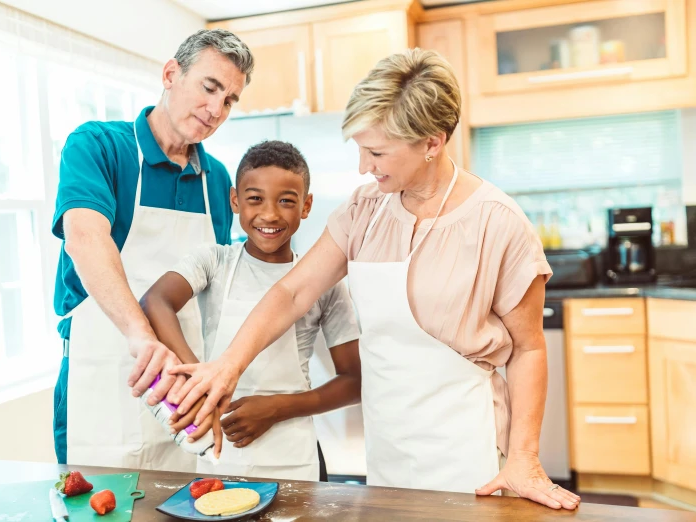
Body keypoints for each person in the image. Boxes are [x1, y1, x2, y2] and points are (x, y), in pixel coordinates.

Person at [166, 49, 582, 510]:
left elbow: (527, 348)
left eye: (378, 152)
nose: (364, 165)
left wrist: (524, 456)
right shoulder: (364, 210)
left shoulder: (498, 223)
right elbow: (291, 291)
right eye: (360, 148)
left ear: (431, 142)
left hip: (467, 445)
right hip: (386, 443)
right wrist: (228, 367)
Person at [50, 29, 254, 471]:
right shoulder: (99, 146)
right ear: (170, 74)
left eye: (230, 100)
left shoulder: (215, 180)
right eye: (210, 87)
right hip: (105, 381)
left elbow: (211, 285)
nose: (216, 110)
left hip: (181, 394)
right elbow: (86, 238)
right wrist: (141, 336)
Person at [140, 141, 362, 481]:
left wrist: (276, 409)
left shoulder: (323, 281)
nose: (270, 214)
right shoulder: (214, 261)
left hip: (293, 455)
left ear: (306, 205)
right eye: (255, 198)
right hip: (218, 448)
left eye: (287, 201)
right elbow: (156, 301)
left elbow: (354, 381)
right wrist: (200, 381)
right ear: (235, 201)